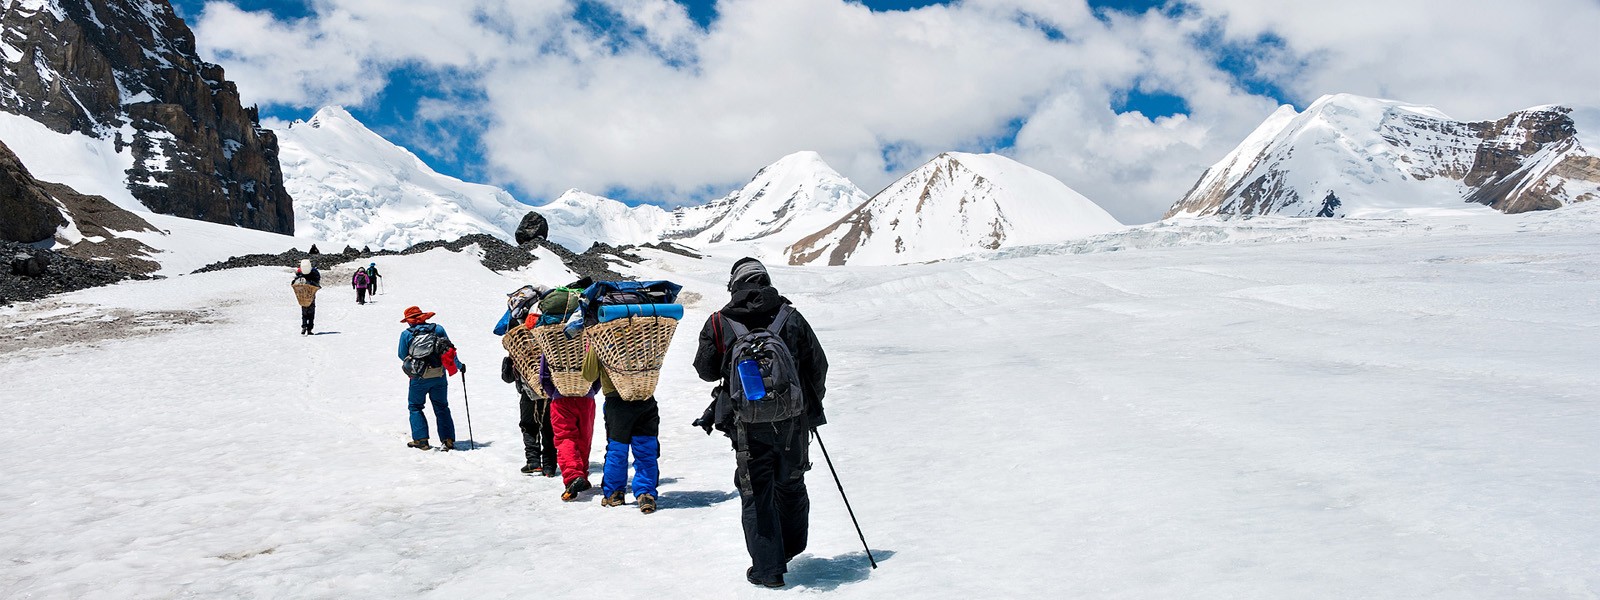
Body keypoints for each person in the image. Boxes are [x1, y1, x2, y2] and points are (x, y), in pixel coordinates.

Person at [693, 257, 829, 588]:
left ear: (734, 285)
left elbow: (705, 370)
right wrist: (809, 407)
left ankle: (768, 569)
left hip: (746, 424)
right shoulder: (790, 316)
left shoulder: (719, 321)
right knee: (792, 481)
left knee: (756, 491)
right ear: (766, 281)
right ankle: (792, 548)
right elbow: (817, 365)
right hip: (791, 422)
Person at [583, 346, 661, 514]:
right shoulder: (645, 334)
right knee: (646, 449)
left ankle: (614, 493)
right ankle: (646, 493)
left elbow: (589, 375)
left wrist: (593, 346)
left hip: (617, 402)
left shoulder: (604, 336)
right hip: (645, 399)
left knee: (617, 450)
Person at [495, 287, 557, 477]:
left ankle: (533, 462)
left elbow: (509, 371)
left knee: (529, 424)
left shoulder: (517, 329)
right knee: (548, 425)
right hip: (550, 385)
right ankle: (549, 466)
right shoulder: (549, 327)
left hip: (526, 386)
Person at [399, 306, 464, 451]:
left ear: (409, 321)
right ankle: (447, 440)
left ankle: (421, 440)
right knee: (441, 407)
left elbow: (401, 354)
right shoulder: (438, 329)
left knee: (415, 407)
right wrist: (459, 366)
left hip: (418, 378)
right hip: (439, 375)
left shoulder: (406, 334)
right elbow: (450, 351)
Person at [292, 259, 321, 335]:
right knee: (311, 312)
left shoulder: (300, 273)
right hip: (311, 294)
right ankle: (309, 329)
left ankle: (304, 326)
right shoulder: (314, 272)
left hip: (302, 295)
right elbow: (317, 281)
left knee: (304, 312)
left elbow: (294, 281)